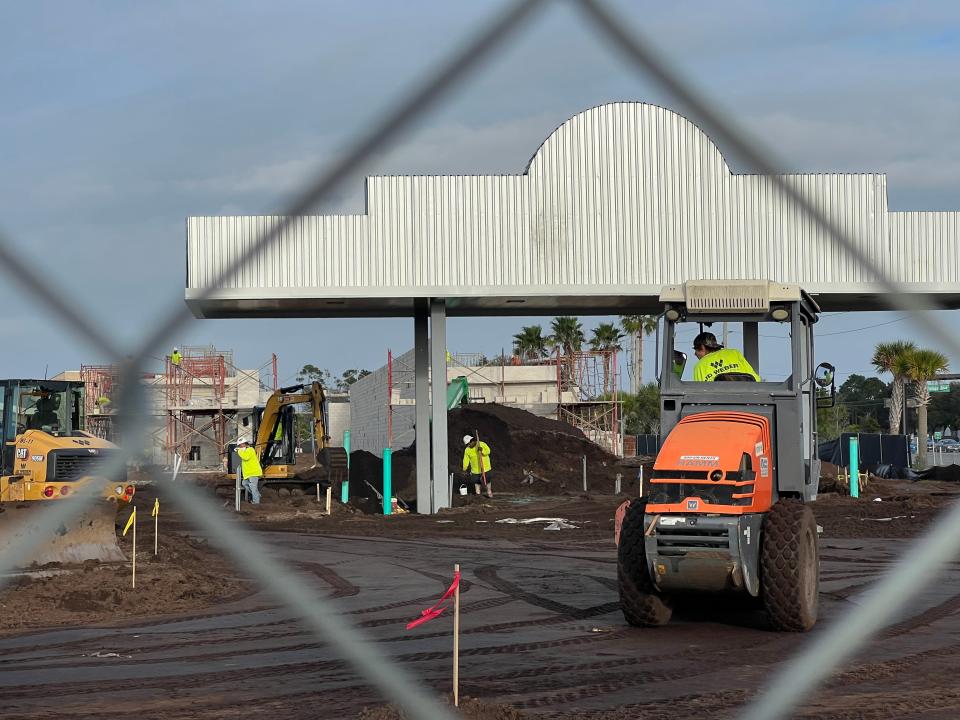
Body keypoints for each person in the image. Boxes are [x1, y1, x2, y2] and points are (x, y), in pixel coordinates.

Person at [692, 332, 760, 382]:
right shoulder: (734, 353)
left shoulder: (699, 366)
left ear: (702, 347)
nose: (695, 354)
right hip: (748, 399)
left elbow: (700, 395)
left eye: (696, 350)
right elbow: (756, 379)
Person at [236, 437, 263, 505]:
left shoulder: (250, 450)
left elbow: (246, 457)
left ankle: (256, 502)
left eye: (243, 444)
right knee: (244, 483)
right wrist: (241, 450)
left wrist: (239, 451)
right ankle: (257, 495)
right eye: (240, 445)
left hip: (253, 472)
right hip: (248, 473)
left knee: (253, 486)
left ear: (246, 444)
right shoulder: (244, 451)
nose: (242, 446)